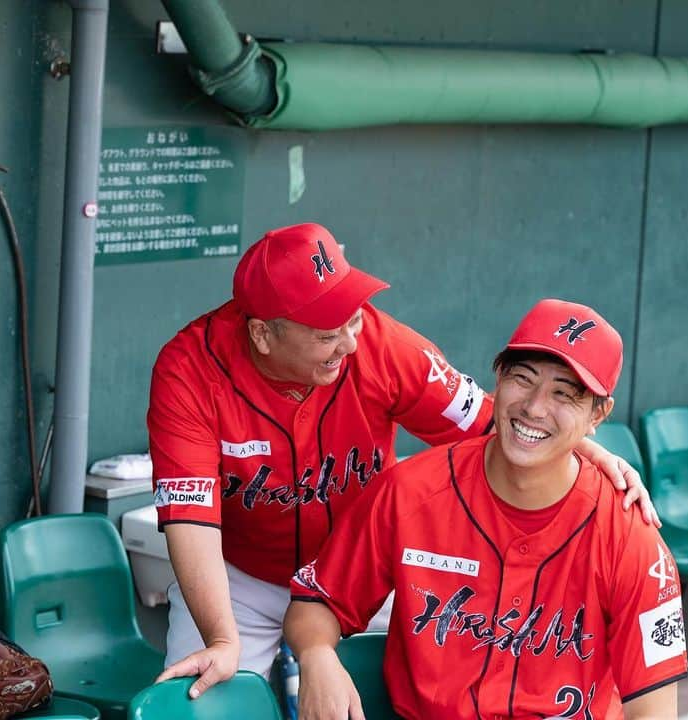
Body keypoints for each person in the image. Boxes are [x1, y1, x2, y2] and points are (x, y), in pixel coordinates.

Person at [148, 223, 658, 698]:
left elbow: (492, 420)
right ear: (263, 334)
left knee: (440, 687)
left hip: (363, 572)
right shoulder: (188, 371)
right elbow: (190, 518)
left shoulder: (379, 342)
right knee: (202, 697)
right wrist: (220, 638)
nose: (349, 342)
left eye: (352, 316)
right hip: (243, 578)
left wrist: (582, 444)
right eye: (328, 333)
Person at [285, 298, 686, 720]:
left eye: (563, 394)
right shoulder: (410, 492)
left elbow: (653, 710)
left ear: (598, 414)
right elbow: (320, 600)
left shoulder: (630, 538)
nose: (534, 407)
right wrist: (316, 655)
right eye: (523, 379)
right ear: (498, 378)